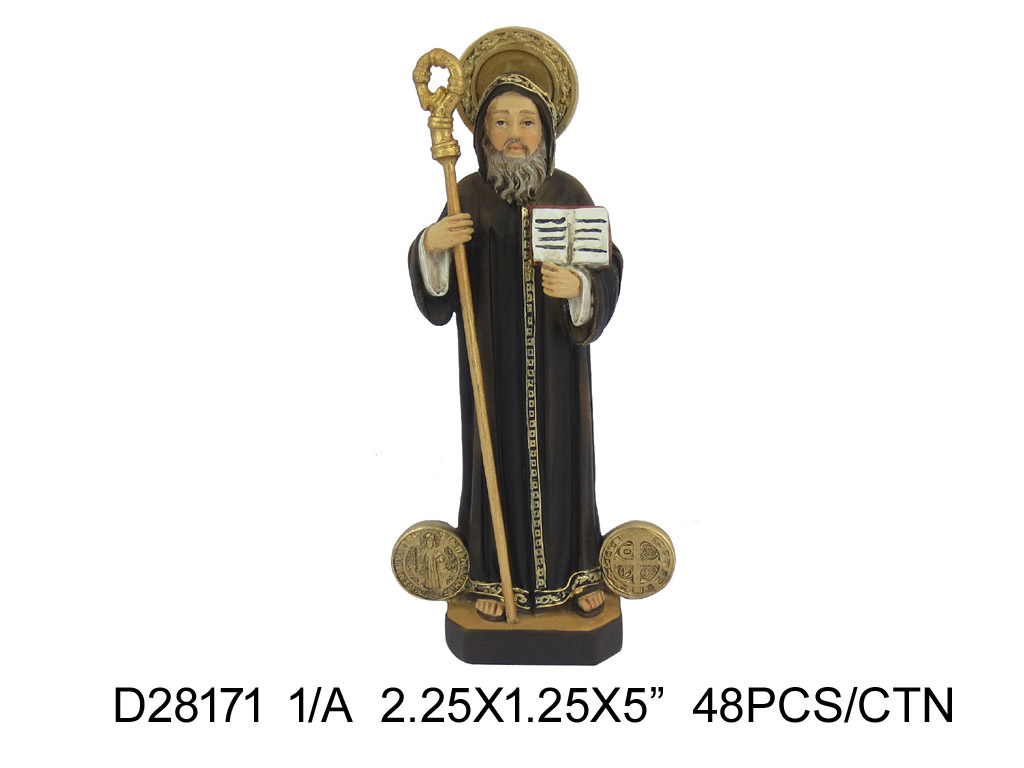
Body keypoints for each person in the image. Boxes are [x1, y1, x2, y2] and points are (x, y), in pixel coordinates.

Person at [408, 73, 623, 621]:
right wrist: (432, 246)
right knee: (492, 461)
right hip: (492, 361)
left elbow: (607, 266)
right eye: (500, 122)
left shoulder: (569, 193)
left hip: (558, 366)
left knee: (565, 461)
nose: (514, 135)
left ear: (546, 132)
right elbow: (440, 297)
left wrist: (580, 287)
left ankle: (575, 573)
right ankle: (489, 575)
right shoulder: (468, 194)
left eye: (526, 122)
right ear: (483, 133)